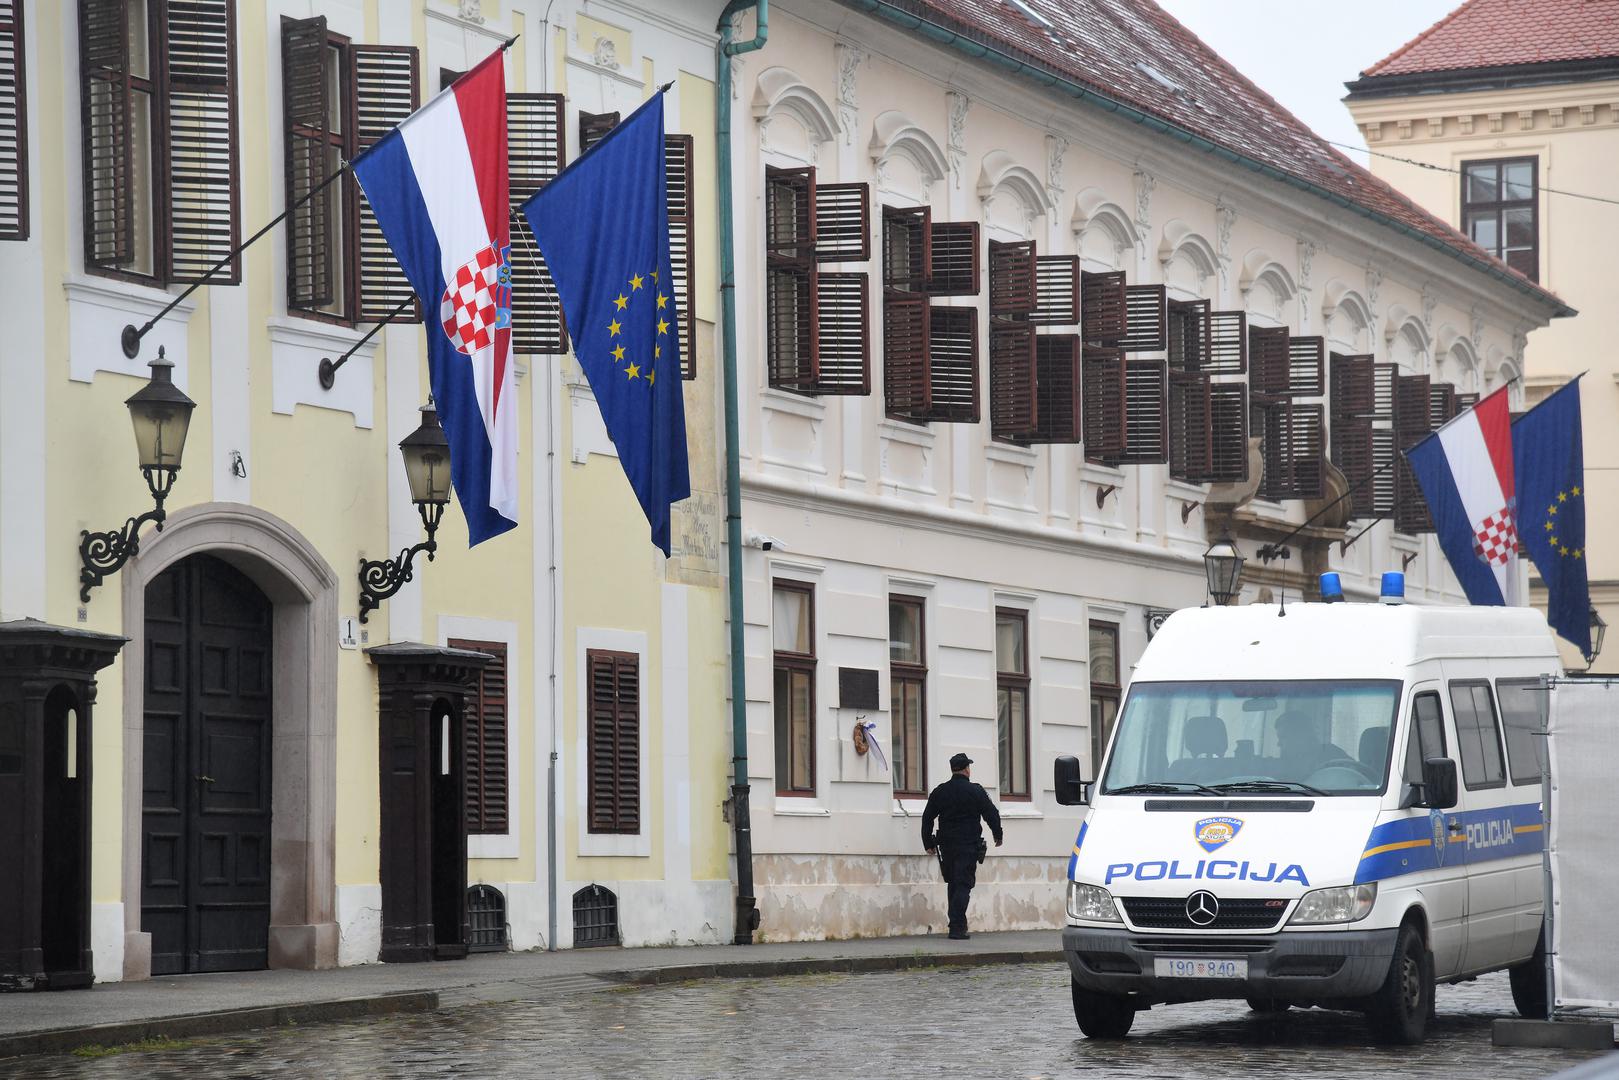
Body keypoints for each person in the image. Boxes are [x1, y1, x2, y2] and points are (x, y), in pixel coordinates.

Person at [922, 753, 1003, 940]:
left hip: (947, 845)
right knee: (963, 884)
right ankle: (957, 927)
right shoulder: (976, 791)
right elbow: (991, 813)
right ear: (967, 769)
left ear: (953, 769)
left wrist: (927, 842)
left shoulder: (940, 791)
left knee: (953, 883)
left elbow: (927, 818)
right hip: (968, 844)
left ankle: (957, 923)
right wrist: (997, 834)